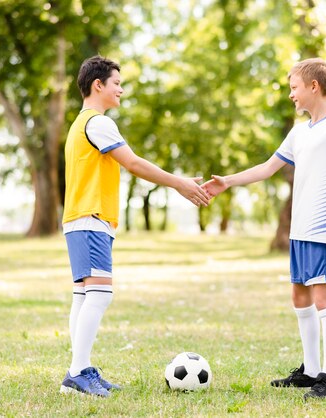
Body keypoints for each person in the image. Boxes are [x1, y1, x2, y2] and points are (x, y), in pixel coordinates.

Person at [202, 58, 326, 400]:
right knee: (299, 295)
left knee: (324, 299)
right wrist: (227, 182)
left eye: (294, 87)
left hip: (321, 231)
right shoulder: (298, 132)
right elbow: (267, 168)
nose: (291, 94)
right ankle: (309, 370)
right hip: (299, 231)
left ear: (313, 87)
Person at [59, 55, 210, 397]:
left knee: (84, 296)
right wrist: (179, 183)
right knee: (99, 295)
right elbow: (133, 162)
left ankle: (78, 370)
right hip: (91, 218)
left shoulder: (80, 123)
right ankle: (77, 372)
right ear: (98, 85)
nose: (121, 90)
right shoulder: (97, 123)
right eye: (116, 84)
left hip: (82, 219)